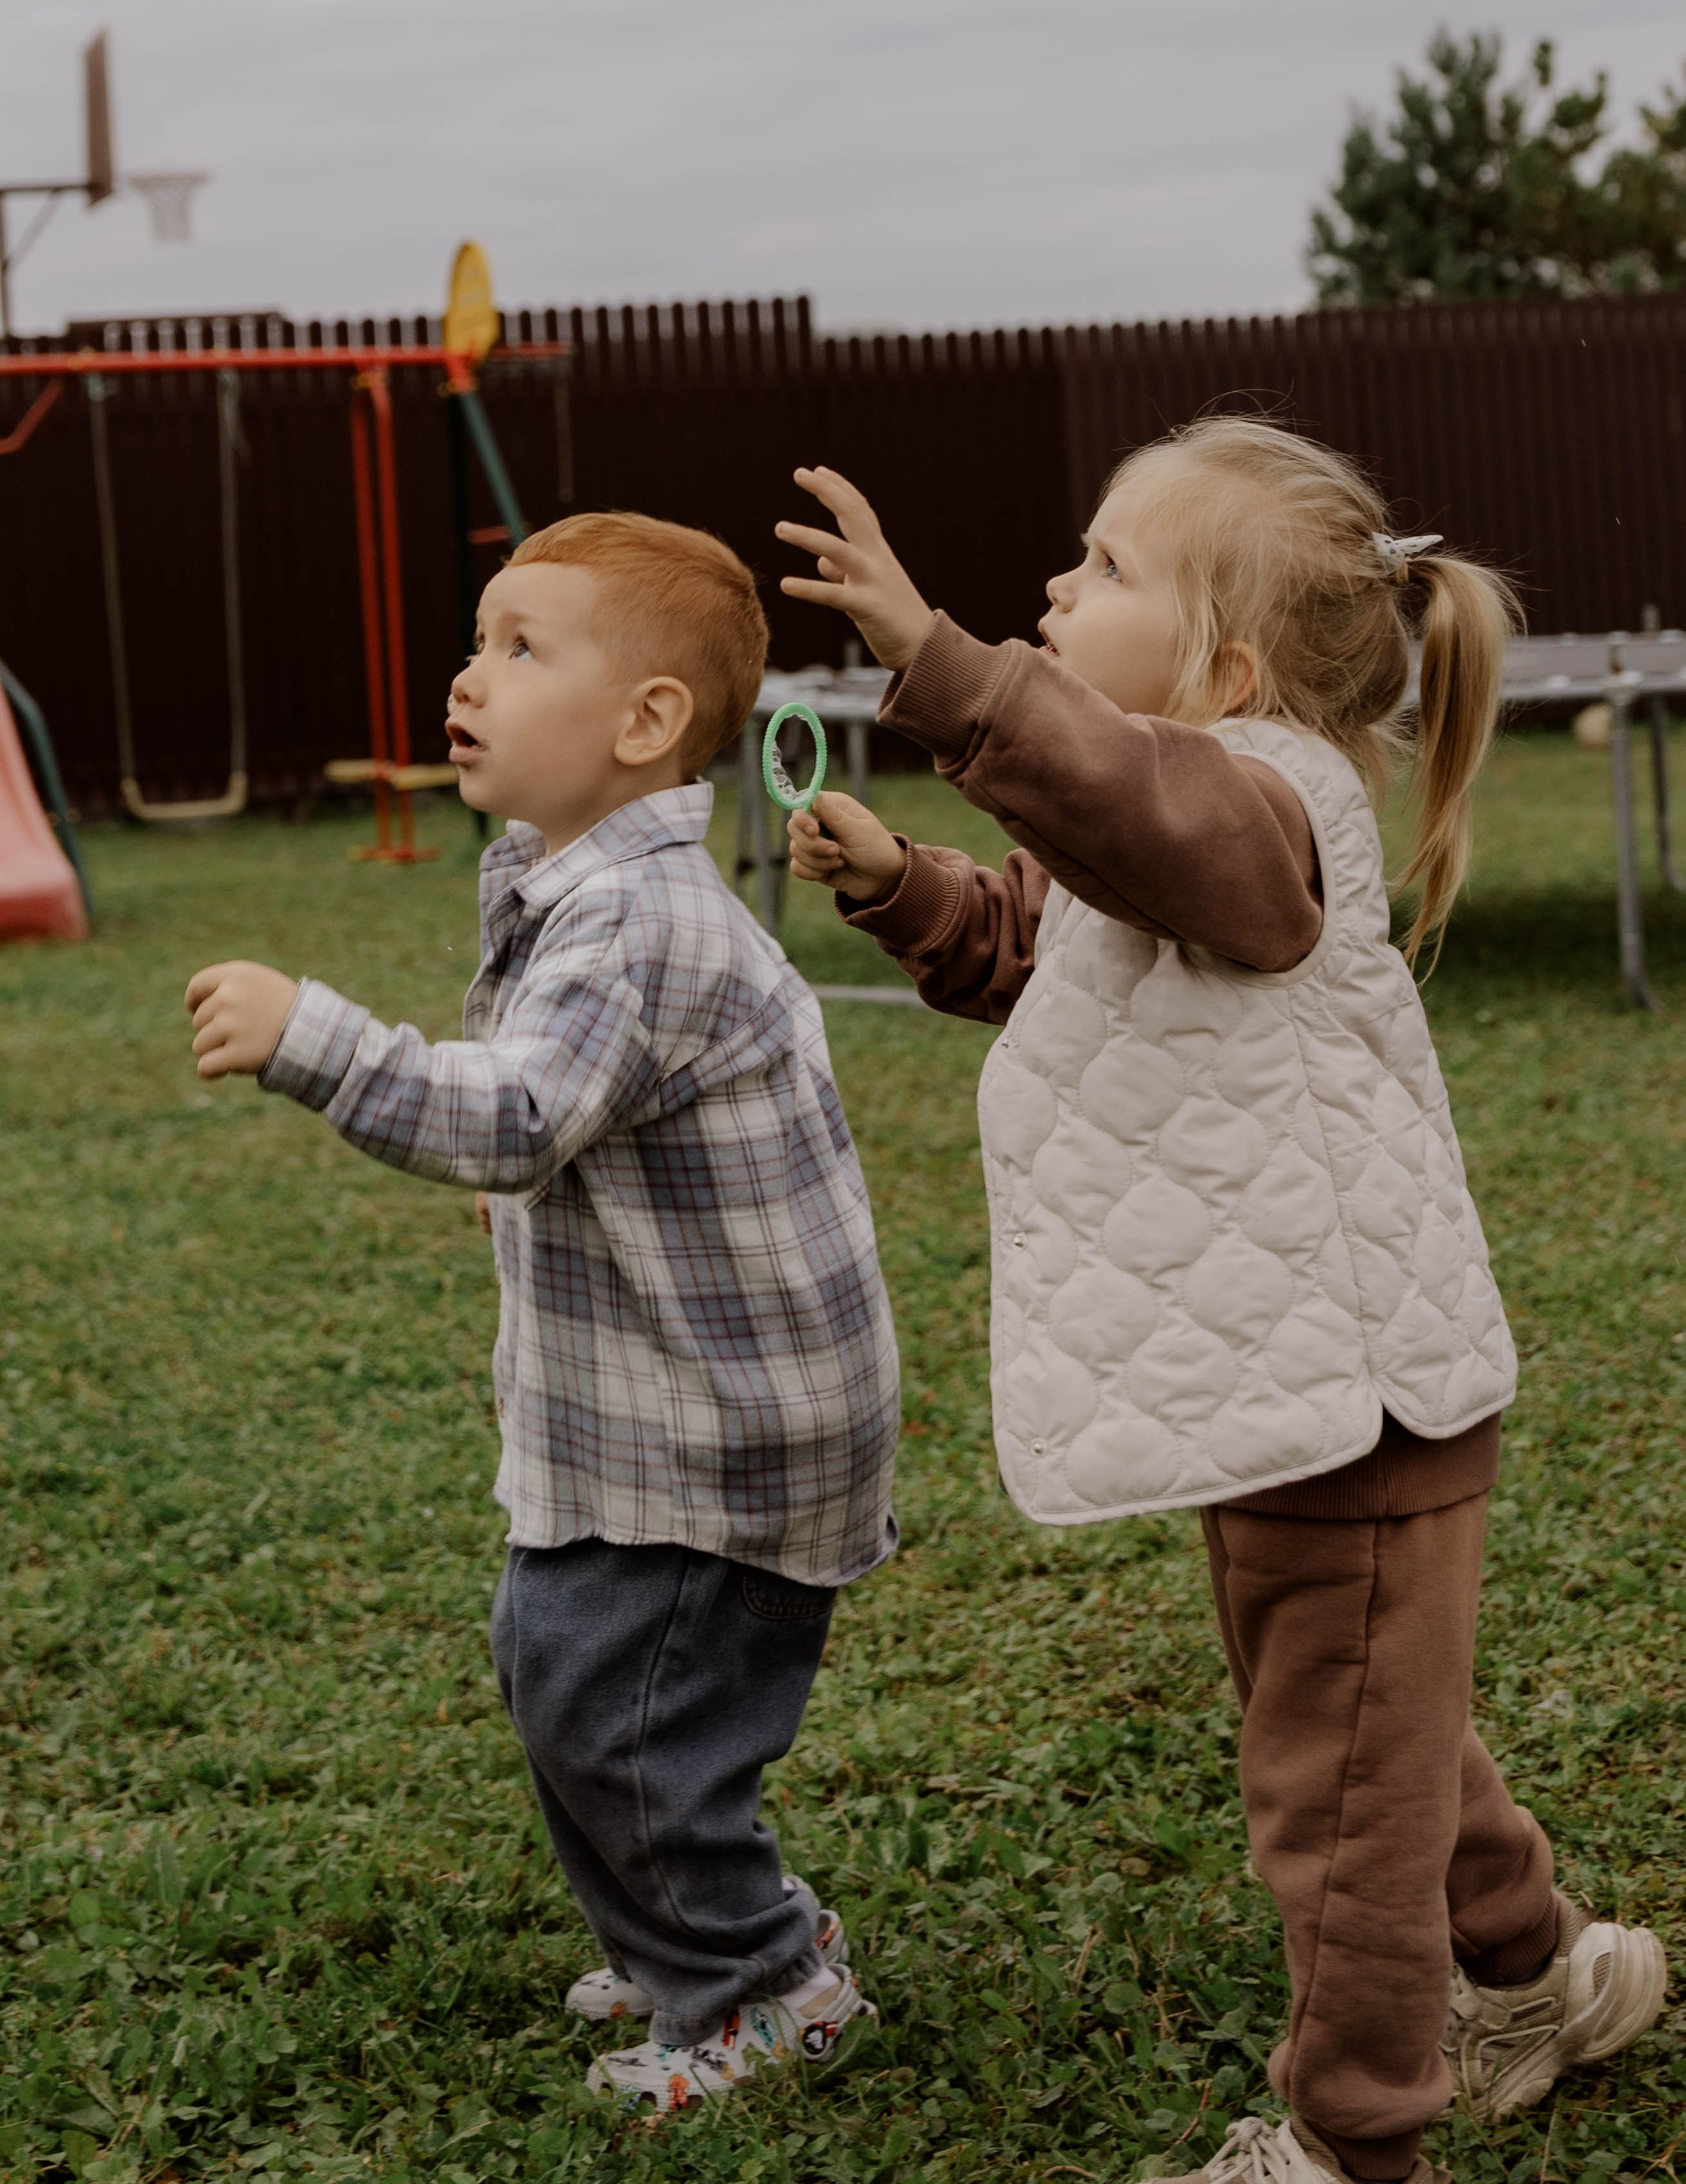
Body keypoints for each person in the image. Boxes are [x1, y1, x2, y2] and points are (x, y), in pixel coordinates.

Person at [775, 425, 1666, 2184]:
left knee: (1330, 1796)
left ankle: (1351, 2142)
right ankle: (1545, 1971)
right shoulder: (1179, 823)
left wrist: (937, 657)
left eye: (1106, 572)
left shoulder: (1265, 806)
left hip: (1355, 1395)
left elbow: (1134, 817)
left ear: (1231, 674)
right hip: (1299, 1391)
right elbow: (1049, 940)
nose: (1056, 591)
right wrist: (907, 891)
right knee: (1367, 1736)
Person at [184, 511, 896, 2114]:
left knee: (616, 1707)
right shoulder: (571, 881)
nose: (469, 674)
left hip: (722, 1425)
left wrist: (318, 1038)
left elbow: (510, 1119)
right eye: (477, 640)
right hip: (648, 1400)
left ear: (645, 723)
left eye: (521, 648)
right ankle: (688, 1928)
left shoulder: (640, 922)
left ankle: (761, 1986)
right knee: (560, 1668)